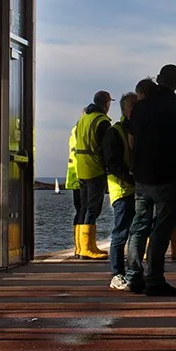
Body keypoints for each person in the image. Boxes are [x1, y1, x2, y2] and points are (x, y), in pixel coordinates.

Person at [124, 65, 176, 296]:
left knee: (139, 226)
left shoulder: (140, 108)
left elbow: (132, 141)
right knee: (161, 228)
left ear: (158, 79)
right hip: (166, 175)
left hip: (142, 176)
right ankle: (154, 279)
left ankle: (134, 277)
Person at [103, 91, 137, 290]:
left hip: (137, 189)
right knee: (120, 233)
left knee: (137, 232)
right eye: (133, 107)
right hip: (122, 190)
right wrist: (130, 176)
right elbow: (112, 163)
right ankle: (117, 274)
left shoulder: (138, 129)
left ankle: (134, 271)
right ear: (124, 109)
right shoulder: (114, 132)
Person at [74, 90, 113, 259]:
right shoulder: (102, 121)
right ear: (106, 103)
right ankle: (87, 249)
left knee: (84, 207)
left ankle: (80, 248)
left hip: (81, 168)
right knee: (93, 208)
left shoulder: (83, 119)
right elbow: (107, 148)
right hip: (95, 168)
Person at [64, 117, 83, 255]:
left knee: (80, 211)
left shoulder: (74, 133)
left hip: (75, 176)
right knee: (85, 211)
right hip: (82, 174)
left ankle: (79, 247)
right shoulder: (81, 131)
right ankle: (83, 247)